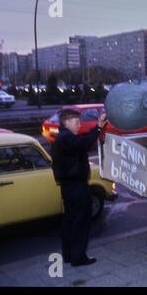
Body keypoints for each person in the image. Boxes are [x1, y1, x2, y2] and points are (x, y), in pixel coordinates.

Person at [51, 108, 107, 267]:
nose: (79, 124)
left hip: (69, 186)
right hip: (76, 186)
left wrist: (97, 128)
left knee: (70, 220)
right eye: (76, 121)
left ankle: (69, 255)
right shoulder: (66, 138)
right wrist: (97, 127)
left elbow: (81, 140)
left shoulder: (63, 137)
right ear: (66, 122)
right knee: (80, 222)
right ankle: (78, 257)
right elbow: (83, 143)